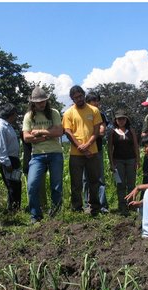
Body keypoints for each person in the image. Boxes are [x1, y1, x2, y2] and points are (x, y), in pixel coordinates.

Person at [22, 87, 64, 224]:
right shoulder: (29, 116)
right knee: (32, 185)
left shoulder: (54, 113)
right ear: (33, 103)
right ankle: (36, 215)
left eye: (43, 101)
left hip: (55, 153)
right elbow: (26, 137)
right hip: (37, 155)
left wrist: (39, 132)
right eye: (39, 102)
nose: (42, 104)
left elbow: (59, 132)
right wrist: (47, 133)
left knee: (56, 186)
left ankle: (56, 214)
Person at [62, 85, 103, 215]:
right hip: (76, 153)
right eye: (75, 98)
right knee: (76, 183)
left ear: (84, 95)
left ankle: (95, 208)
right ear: (72, 99)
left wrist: (88, 145)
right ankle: (77, 208)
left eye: (80, 96)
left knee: (94, 181)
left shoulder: (94, 110)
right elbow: (68, 132)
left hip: (93, 151)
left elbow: (97, 131)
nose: (79, 99)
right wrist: (81, 147)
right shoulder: (68, 113)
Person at [107, 109, 140, 216]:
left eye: (123, 119)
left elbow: (136, 145)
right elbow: (110, 148)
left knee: (131, 183)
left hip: (131, 160)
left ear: (126, 120)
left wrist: (138, 160)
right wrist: (111, 163)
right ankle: (122, 205)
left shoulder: (131, 130)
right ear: (115, 120)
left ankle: (131, 204)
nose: (121, 121)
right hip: (118, 161)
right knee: (120, 184)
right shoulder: (112, 132)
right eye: (119, 119)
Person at [83, 92, 110, 213]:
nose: (96, 106)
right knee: (85, 179)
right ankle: (87, 205)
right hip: (83, 151)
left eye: (97, 103)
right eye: (93, 103)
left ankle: (102, 204)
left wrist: (91, 134)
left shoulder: (101, 115)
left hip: (97, 150)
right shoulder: (82, 114)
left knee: (99, 178)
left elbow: (102, 132)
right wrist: (94, 133)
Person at [0, 103, 22, 212]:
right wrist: (7, 163)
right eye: (15, 114)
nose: (16, 116)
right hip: (8, 160)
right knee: (12, 186)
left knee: (16, 184)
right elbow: (0, 149)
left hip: (13, 159)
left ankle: (15, 208)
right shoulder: (0, 128)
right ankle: (13, 210)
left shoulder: (8, 126)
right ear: (11, 114)